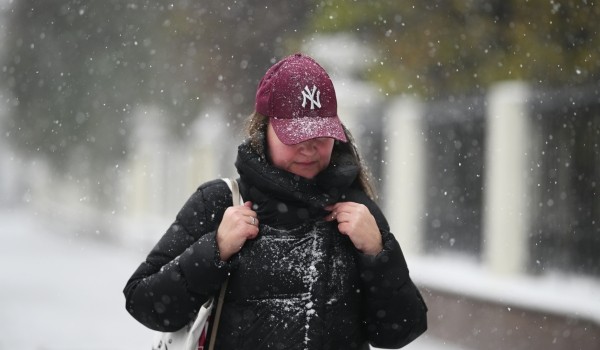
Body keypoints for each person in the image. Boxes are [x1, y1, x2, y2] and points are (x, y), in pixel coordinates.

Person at [124, 53, 427, 349]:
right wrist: (215, 249)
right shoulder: (219, 204)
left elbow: (399, 332)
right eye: (295, 136)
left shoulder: (358, 213)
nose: (309, 149)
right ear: (264, 130)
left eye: (320, 136)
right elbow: (144, 302)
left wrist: (377, 253)